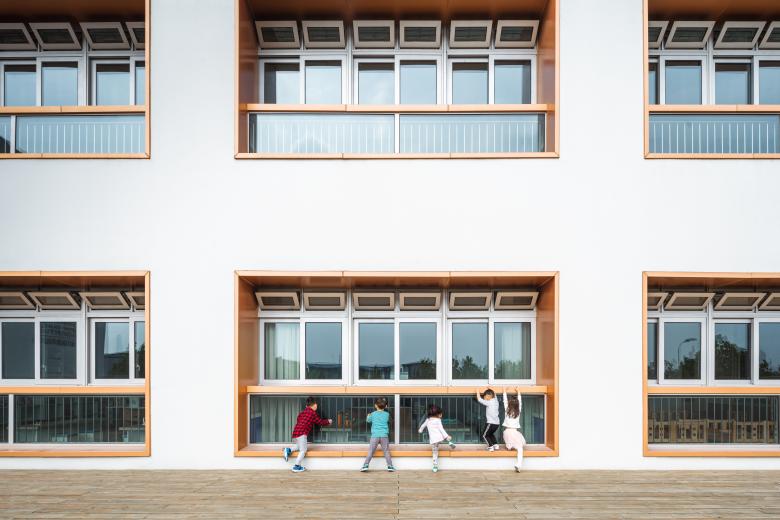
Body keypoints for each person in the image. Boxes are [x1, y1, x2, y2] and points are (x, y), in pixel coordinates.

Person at [283, 396, 332, 473]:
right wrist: (328, 421)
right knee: (303, 450)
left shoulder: (302, 413)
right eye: (316, 404)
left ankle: (288, 450)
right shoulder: (312, 413)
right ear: (314, 405)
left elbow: (298, 419)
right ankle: (296, 466)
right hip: (302, 433)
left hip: (295, 432)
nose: (317, 406)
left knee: (298, 446)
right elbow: (320, 422)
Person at [418, 404, 456, 473]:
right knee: (441, 439)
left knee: (435, 453)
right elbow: (441, 429)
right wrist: (447, 436)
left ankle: (435, 466)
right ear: (437, 414)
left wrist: (420, 430)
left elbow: (423, 426)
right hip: (439, 437)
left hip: (433, 440)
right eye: (440, 414)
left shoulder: (428, 420)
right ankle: (449, 442)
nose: (441, 415)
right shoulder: (438, 420)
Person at [361, 397, 395, 472]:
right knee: (386, 451)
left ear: (375, 405)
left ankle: (365, 465)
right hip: (384, 435)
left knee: (371, 451)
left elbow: (368, 421)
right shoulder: (387, 414)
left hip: (375, 435)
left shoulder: (372, 414)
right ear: (386, 406)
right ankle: (390, 466)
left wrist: (368, 415)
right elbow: (390, 421)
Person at [502, 386, 527, 472]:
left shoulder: (507, 410)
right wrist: (519, 392)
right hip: (514, 433)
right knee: (520, 449)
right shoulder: (518, 412)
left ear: (509, 404)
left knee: (511, 445)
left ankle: (509, 446)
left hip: (506, 433)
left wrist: (504, 391)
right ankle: (518, 464)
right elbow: (520, 402)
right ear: (517, 405)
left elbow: (504, 401)